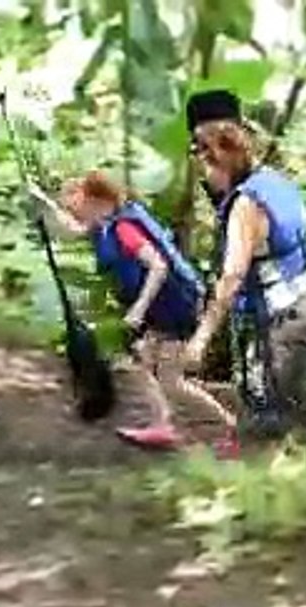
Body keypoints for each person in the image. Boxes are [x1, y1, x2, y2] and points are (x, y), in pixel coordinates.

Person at [28, 170, 235, 448]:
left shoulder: (123, 228)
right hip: (160, 310)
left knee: (171, 380)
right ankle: (163, 425)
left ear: (94, 199)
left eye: (74, 201)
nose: (71, 209)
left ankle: (230, 425)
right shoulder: (103, 224)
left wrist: (138, 309)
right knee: (142, 362)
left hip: (175, 309)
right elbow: (70, 229)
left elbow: (158, 266)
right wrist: (42, 202)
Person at [181, 88, 306, 453]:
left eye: (199, 154)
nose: (200, 169)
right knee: (296, 414)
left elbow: (232, 276)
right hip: (303, 308)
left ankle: (276, 490)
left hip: (276, 324)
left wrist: (201, 338)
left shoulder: (246, 203)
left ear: (213, 152)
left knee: (272, 419)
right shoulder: (275, 182)